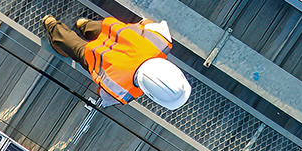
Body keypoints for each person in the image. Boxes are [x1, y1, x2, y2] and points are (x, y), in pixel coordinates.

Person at [44, 14, 191, 109]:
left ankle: (84, 25)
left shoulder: (162, 43)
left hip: (112, 32)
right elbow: (104, 94)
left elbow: (148, 24)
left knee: (98, 28)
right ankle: (51, 25)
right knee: (75, 47)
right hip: (94, 55)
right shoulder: (123, 90)